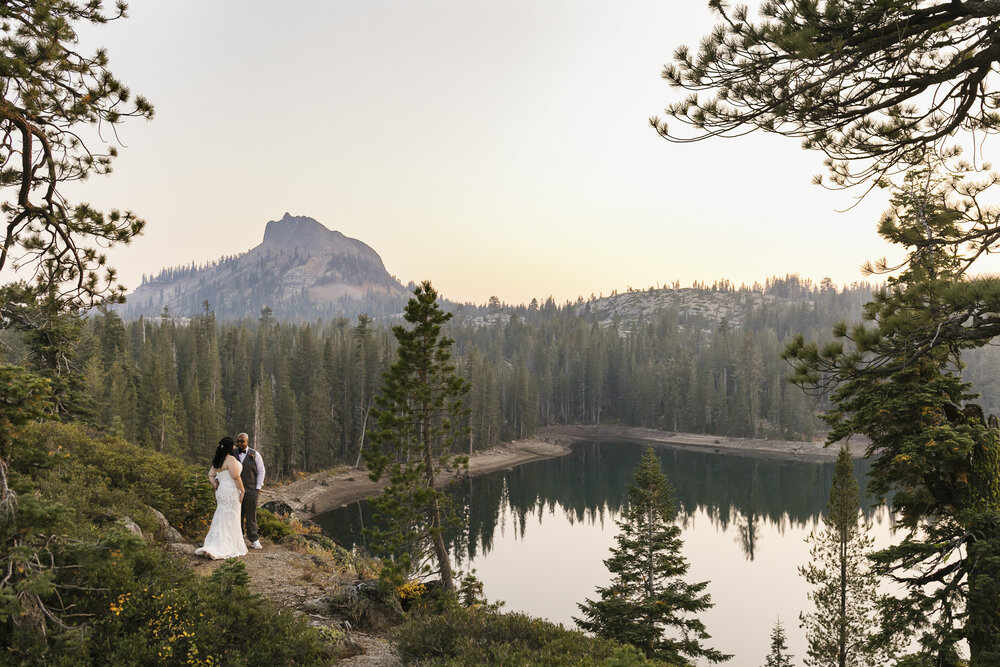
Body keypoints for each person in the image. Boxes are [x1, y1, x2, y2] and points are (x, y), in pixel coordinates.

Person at [194, 436, 248, 559]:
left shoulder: (218, 460)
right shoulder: (231, 460)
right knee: (232, 516)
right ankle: (227, 544)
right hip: (231, 491)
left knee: (221, 514)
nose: (235, 446)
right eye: (233, 445)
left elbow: (210, 475)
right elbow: (236, 477)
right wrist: (243, 490)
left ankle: (215, 542)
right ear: (230, 447)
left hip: (221, 491)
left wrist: (214, 483)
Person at [235, 432, 266, 549]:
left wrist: (258, 487)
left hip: (251, 490)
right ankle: (239, 538)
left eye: (242, 441)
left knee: (251, 515)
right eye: (238, 441)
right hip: (235, 491)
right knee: (237, 515)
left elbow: (261, 471)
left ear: (247, 442)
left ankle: (254, 539)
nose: (239, 443)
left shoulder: (255, 454)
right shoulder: (232, 454)